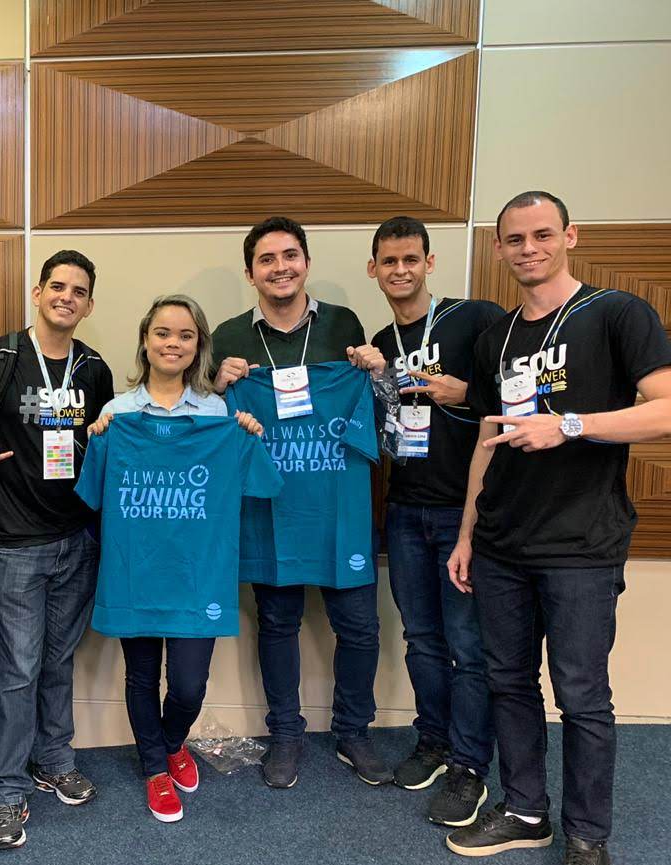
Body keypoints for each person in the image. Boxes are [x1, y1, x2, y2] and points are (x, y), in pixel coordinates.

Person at [445, 190, 671, 865]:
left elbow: (665, 410)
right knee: (508, 683)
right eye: (515, 239)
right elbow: (487, 440)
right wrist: (467, 533)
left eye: (542, 234)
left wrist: (570, 424)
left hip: (581, 546)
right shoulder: (497, 337)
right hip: (501, 545)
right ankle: (525, 811)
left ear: (570, 236)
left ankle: (587, 839)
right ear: (499, 248)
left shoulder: (617, 314)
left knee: (581, 696)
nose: (529, 249)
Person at [212, 216, 391, 789]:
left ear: (306, 262)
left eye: (290, 255)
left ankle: (353, 732)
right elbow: (208, 426)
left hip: (339, 507)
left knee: (359, 627)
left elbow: (374, 412)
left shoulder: (343, 323)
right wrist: (219, 386)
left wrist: (373, 372)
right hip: (271, 507)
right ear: (251, 273)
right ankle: (285, 734)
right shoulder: (229, 336)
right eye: (266, 259)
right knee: (277, 623)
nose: (280, 267)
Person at [0, 250, 114, 850]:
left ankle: (55, 759)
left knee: (58, 661)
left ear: (89, 305)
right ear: (38, 293)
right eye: (57, 286)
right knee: (18, 670)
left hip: (78, 538)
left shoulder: (93, 369)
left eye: (79, 291)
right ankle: (9, 789)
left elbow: (102, 448)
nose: (67, 297)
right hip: (17, 542)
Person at [82, 294, 268, 823]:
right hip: (136, 571)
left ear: (198, 346)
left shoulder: (217, 413)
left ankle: (170, 742)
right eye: (163, 332)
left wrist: (248, 436)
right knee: (141, 676)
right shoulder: (116, 414)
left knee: (188, 685)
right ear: (146, 340)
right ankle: (154, 769)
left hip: (196, 575)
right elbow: (92, 496)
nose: (173, 343)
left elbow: (255, 483)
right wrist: (97, 441)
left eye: (185, 335)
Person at [364, 216, 503, 826]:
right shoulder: (381, 341)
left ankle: (471, 765)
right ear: (374, 269)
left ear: (429, 262)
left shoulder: (474, 318)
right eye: (389, 261)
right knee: (421, 639)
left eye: (410, 259)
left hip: (462, 511)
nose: (401, 270)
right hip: (405, 508)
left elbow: (515, 397)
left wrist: (463, 393)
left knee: (469, 647)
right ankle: (434, 741)